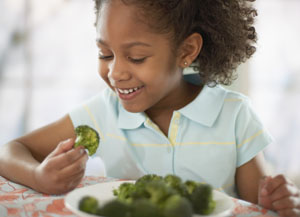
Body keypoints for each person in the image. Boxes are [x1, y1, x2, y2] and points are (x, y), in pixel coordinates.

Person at [0, 0, 299, 215]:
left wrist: (279, 198)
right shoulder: (104, 112)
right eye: (105, 54)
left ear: (186, 51)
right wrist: (38, 175)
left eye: (137, 58)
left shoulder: (235, 115)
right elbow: (10, 151)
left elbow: (261, 203)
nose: (115, 73)